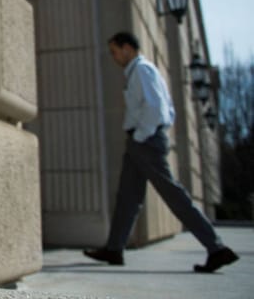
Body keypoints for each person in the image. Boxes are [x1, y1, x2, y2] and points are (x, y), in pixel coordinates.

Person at [83, 32, 239, 273]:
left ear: (127, 48)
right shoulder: (143, 71)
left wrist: (140, 136)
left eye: (114, 51)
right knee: (127, 198)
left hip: (145, 142)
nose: (113, 57)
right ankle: (114, 249)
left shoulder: (142, 71)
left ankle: (216, 248)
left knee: (173, 195)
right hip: (142, 141)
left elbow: (155, 109)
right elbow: (170, 110)